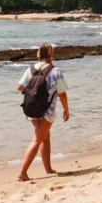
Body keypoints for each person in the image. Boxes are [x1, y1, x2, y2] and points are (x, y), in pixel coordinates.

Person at [16, 43, 69, 181]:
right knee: (37, 139)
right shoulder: (55, 70)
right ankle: (22, 172)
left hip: (32, 109)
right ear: (51, 54)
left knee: (45, 137)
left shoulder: (31, 69)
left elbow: (20, 87)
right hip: (47, 110)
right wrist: (66, 110)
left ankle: (48, 169)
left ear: (38, 54)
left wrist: (33, 91)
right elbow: (62, 94)